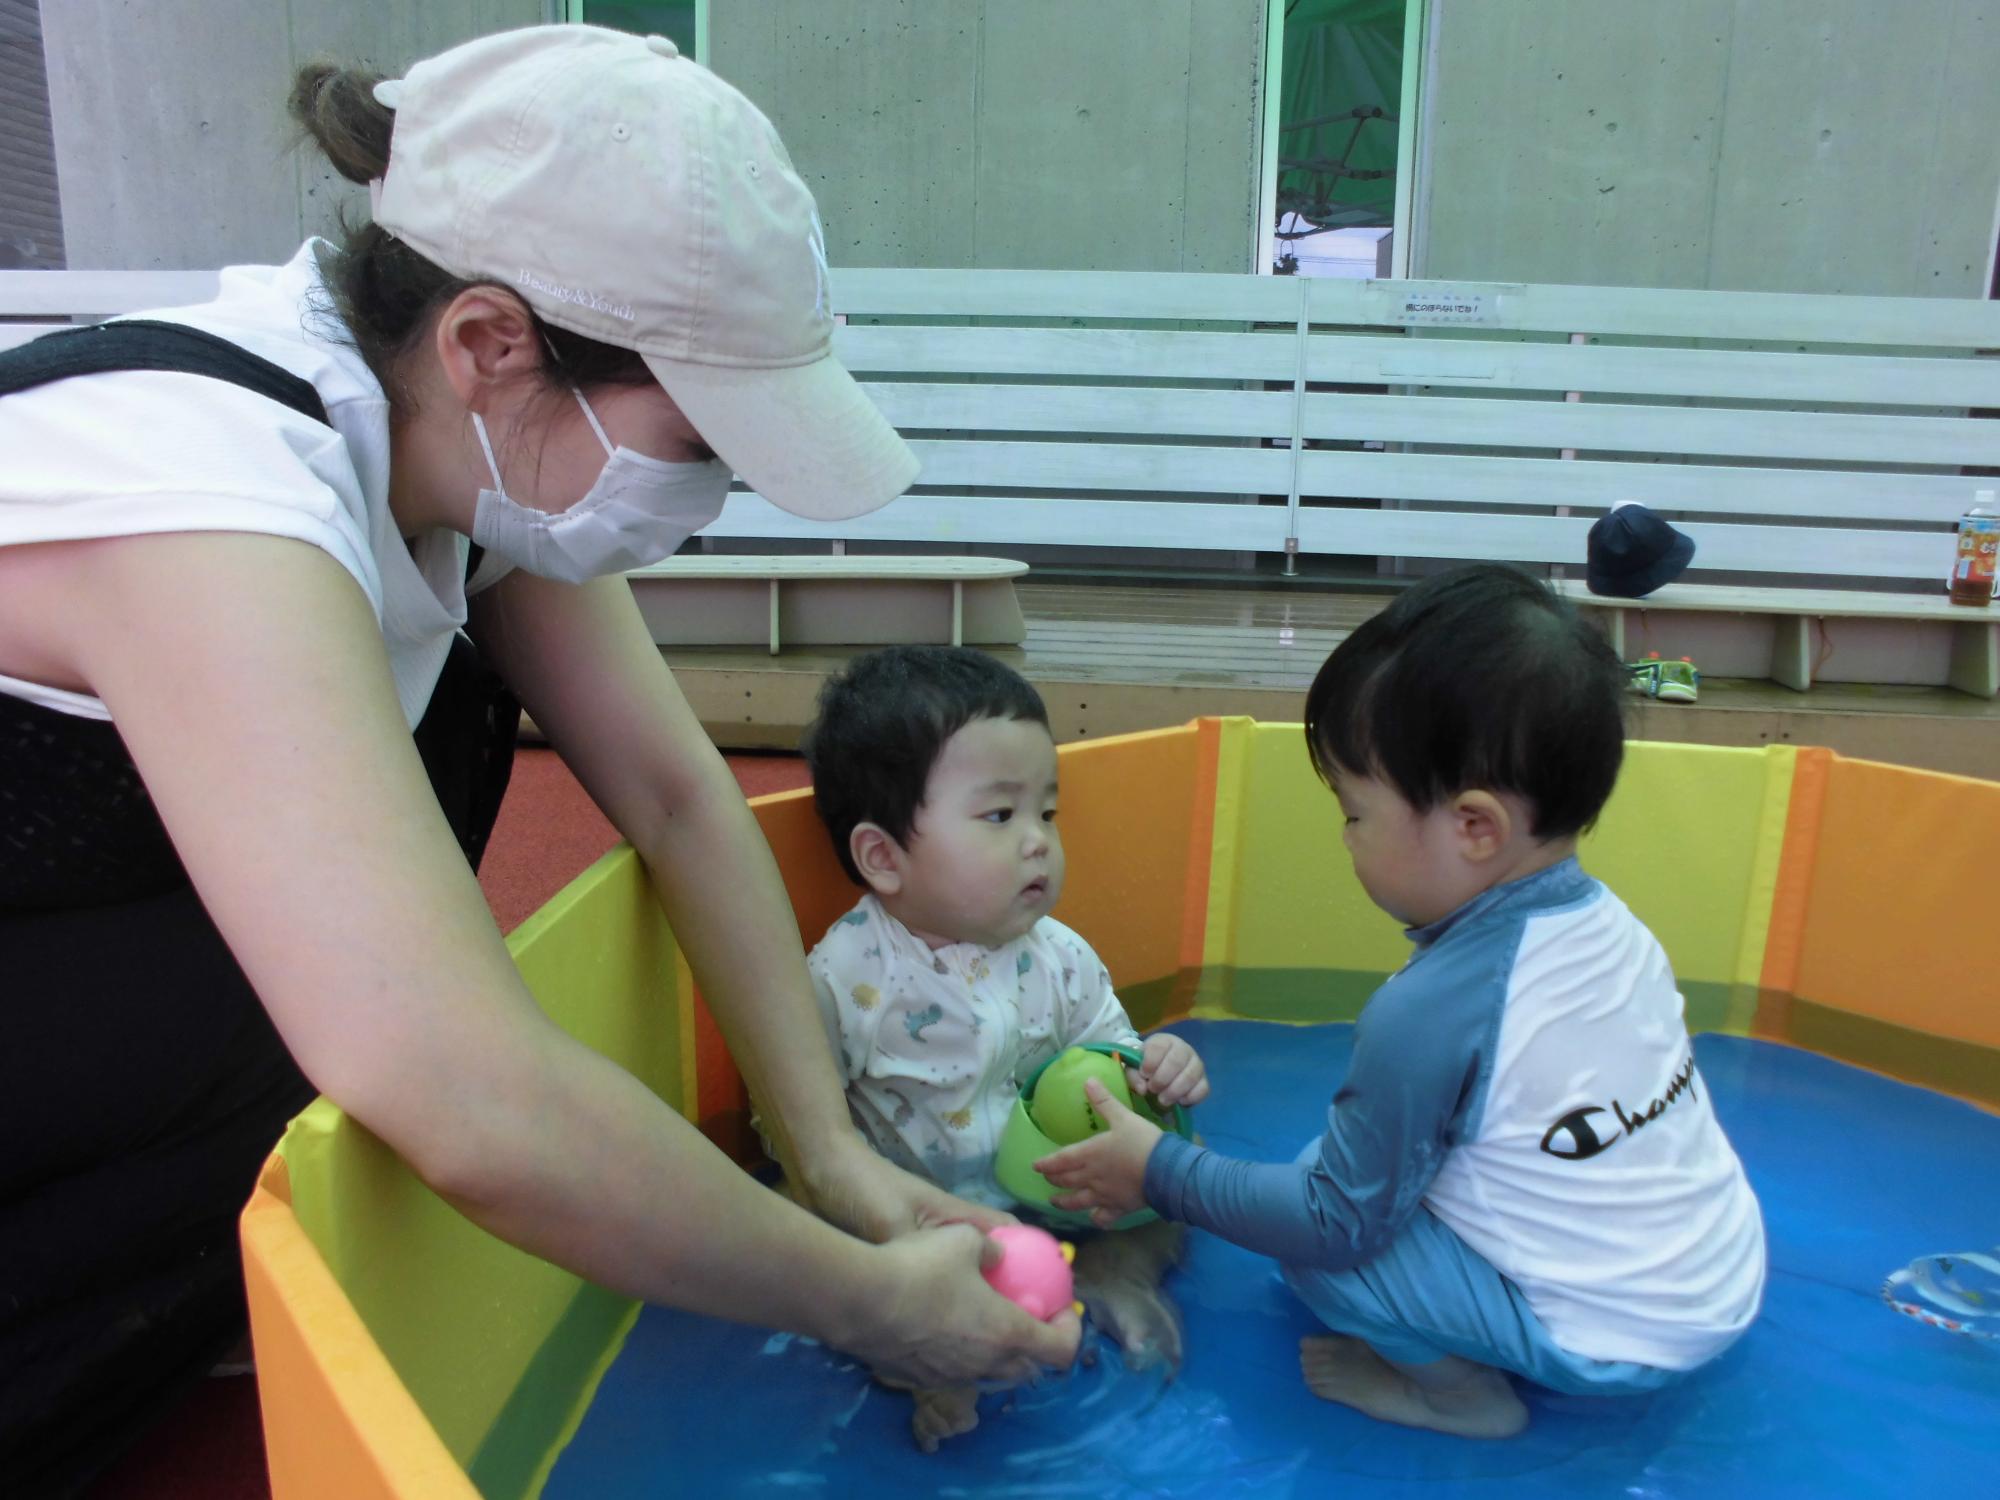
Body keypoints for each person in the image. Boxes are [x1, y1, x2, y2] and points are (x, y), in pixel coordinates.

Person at [0, 26, 1075, 1495]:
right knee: (381, 1004)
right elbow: (457, 1085)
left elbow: (682, 795)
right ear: (491, 342)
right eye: (696, 437)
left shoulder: (469, 450)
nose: (707, 498)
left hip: (93, 979)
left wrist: (826, 1154)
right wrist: (867, 1300)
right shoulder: (208, 504)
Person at [1037, 565, 1765, 1439]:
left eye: (1354, 814)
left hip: (1614, 1335)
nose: (1344, 838)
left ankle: (1459, 1396)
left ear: (1474, 827)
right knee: (1335, 1169)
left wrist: (1158, 1170)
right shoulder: (1611, 929)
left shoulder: (1428, 1013)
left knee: (1317, 1255)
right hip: (1714, 1277)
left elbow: (1333, 1227)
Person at [798, 646, 1209, 1449]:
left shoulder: (1057, 954)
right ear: (884, 857)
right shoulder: (843, 980)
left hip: (1057, 1195)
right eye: (1000, 816)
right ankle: (931, 1366)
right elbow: (807, 1141)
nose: (1037, 843)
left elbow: (1114, 1065)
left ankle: (1113, 1276)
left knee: (1173, 1197)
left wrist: (1160, 1071)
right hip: (924, 1225)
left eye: (1046, 814)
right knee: (856, 1282)